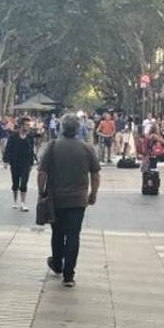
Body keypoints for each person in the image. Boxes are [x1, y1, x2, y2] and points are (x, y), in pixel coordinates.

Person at [39, 114, 100, 288]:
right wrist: (93, 193)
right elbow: (95, 174)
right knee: (73, 236)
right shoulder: (87, 148)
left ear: (62, 128)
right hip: (78, 200)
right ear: (78, 128)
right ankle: (69, 275)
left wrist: (41, 193)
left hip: (56, 199)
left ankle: (57, 263)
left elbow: (42, 172)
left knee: (57, 233)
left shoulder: (52, 146)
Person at [4, 117, 36, 211]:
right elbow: (8, 148)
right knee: (15, 182)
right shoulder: (13, 136)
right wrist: (6, 160)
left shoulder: (30, 137)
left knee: (24, 183)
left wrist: (31, 162)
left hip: (26, 163)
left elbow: (31, 150)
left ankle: (23, 202)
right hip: (15, 162)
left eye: (29, 125)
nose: (28, 127)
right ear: (21, 125)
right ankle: (15, 201)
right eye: (26, 125)